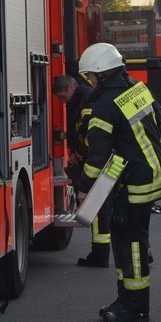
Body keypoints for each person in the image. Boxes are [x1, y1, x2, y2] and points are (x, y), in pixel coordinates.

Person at [74, 42, 161, 322]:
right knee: (121, 237)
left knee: (132, 243)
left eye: (90, 75)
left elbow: (97, 155)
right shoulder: (138, 88)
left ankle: (137, 308)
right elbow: (159, 119)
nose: (89, 81)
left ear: (101, 74)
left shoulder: (103, 104)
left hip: (136, 180)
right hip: (148, 172)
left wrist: (82, 187)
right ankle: (125, 298)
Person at [53, 75, 110, 267]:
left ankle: (100, 254)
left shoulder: (85, 99)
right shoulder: (82, 97)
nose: (62, 101)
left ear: (70, 87)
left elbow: (89, 130)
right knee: (102, 208)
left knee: (98, 207)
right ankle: (100, 253)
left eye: (63, 96)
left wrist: (79, 152)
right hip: (97, 157)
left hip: (96, 159)